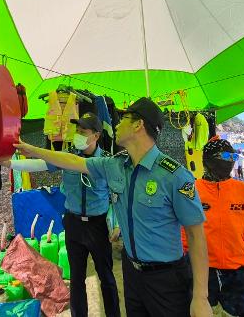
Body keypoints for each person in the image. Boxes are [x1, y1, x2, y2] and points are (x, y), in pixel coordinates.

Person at [13, 97, 212, 317]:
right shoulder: (115, 166)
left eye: (123, 118)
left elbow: (196, 236)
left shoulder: (174, 176)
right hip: (131, 272)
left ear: (138, 125)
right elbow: (72, 162)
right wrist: (32, 150)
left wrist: (201, 297)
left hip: (166, 279)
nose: (116, 124)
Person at [2, 113, 121, 317]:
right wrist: (10, 164)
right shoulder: (66, 157)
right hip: (73, 224)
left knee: (106, 277)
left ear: (96, 135)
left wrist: (116, 223)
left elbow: (117, 195)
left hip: (97, 225)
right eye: (76, 131)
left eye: (83, 132)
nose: (78, 135)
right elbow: (40, 164)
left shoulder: (106, 162)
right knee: (76, 278)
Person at [186, 137, 244, 317]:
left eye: (232, 156)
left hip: (238, 270)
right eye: (223, 156)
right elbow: (184, 230)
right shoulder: (193, 190)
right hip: (203, 270)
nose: (229, 160)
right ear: (207, 160)